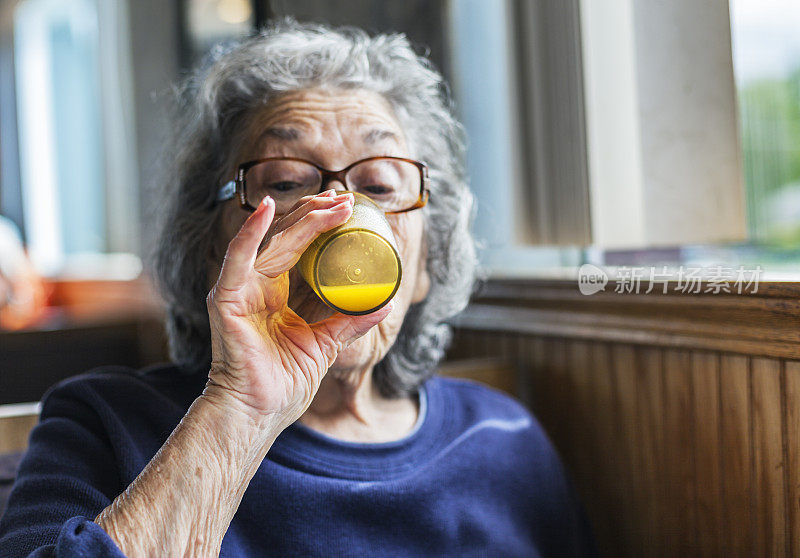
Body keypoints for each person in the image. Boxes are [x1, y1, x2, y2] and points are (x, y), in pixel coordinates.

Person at [0, 20, 594, 557]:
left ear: (425, 265)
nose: (337, 213)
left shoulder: (503, 438)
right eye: (284, 180)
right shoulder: (104, 423)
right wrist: (240, 410)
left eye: (381, 186)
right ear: (214, 247)